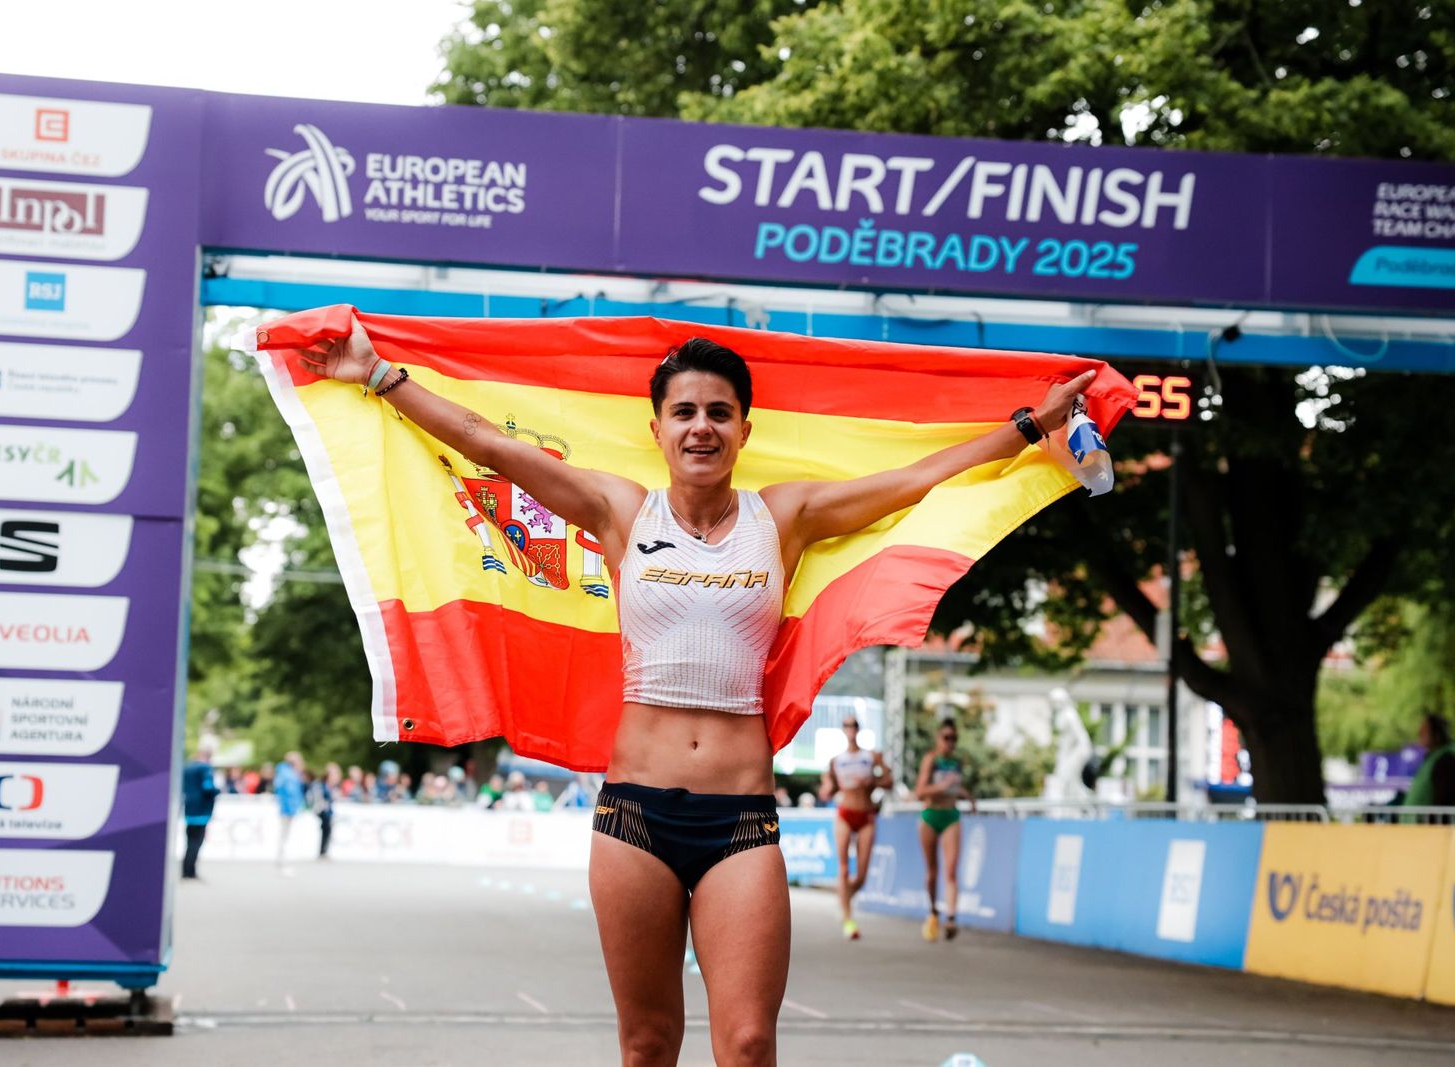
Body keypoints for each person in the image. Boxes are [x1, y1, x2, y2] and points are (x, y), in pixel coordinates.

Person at [300, 319, 1091, 1065]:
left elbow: (918, 477)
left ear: (746, 428)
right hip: (633, 815)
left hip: (740, 821)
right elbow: (489, 445)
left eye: (719, 411)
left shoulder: (787, 515)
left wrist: (1029, 425)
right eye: (684, 412)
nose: (701, 426)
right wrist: (376, 375)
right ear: (658, 428)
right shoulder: (620, 510)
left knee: (747, 1045)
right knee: (647, 1046)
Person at [818, 716, 890, 940]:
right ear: (843, 730)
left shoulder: (871, 756)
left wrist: (872, 783)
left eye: (854, 725)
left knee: (861, 875)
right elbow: (827, 789)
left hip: (866, 813)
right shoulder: (836, 760)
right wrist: (827, 789)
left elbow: (889, 780)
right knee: (843, 868)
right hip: (845, 814)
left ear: (859, 729)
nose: (851, 729)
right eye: (847, 725)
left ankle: (845, 897)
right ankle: (848, 919)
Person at [915, 719, 976, 942]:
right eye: (946, 737)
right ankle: (933, 911)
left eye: (954, 738)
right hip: (931, 815)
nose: (950, 742)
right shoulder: (931, 760)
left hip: (951, 815)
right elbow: (920, 791)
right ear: (938, 738)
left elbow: (956, 786)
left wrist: (967, 796)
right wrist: (939, 787)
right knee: (932, 871)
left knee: (951, 871)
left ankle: (951, 917)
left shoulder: (957, 763)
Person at [1405, 713, 1455, 817]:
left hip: (1432, 831)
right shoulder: (1435, 759)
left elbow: (1444, 802)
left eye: (1424, 730)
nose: (1419, 733)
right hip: (1420, 829)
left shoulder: (1447, 761)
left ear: (1437, 734)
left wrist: (1432, 825)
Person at [181, 747, 219, 880]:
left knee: (189, 841)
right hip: (201, 810)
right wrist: (217, 791)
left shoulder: (187, 768)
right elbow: (207, 787)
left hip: (188, 808)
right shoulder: (205, 769)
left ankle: (186, 869)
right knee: (196, 843)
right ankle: (190, 871)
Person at [273, 751, 306, 873]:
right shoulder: (288, 775)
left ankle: (282, 857)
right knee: (285, 834)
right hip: (288, 809)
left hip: (289, 808)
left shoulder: (288, 774)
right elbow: (289, 793)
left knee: (286, 834)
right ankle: (283, 857)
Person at [312, 761, 341, 859]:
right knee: (326, 828)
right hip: (321, 809)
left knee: (328, 829)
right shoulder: (321, 784)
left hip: (328, 810)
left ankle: (324, 851)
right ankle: (322, 851)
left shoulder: (333, 786)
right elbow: (318, 798)